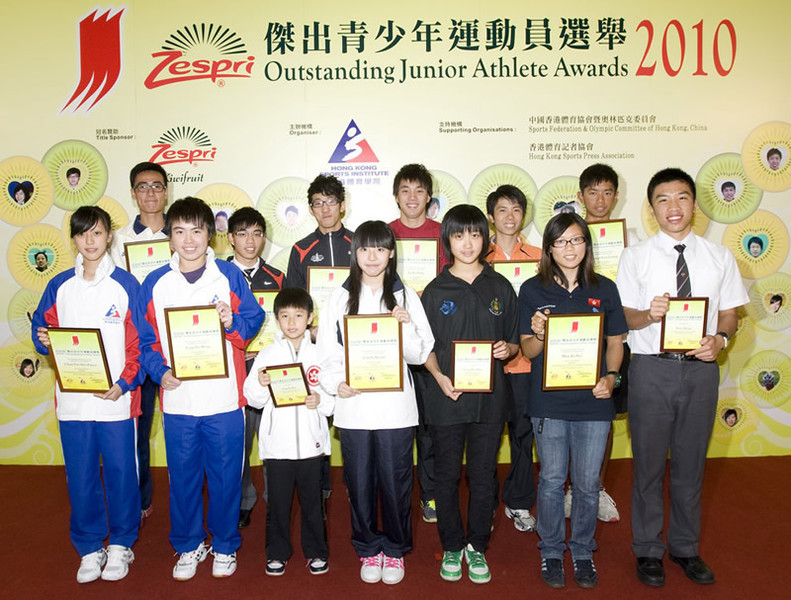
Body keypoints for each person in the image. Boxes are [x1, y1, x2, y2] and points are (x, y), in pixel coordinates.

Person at [616, 168, 748, 587]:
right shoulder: (635, 256)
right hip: (651, 369)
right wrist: (648, 314)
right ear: (652, 209)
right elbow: (623, 316)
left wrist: (721, 340)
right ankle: (648, 550)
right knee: (649, 468)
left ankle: (686, 548)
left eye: (682, 198)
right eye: (663, 200)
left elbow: (730, 312)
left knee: (691, 467)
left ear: (694, 203)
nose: (673, 207)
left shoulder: (718, 256)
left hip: (701, 372)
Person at [137, 197, 265, 580]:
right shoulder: (155, 283)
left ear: (210, 235)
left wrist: (231, 322)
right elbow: (145, 341)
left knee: (227, 477)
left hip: (225, 399)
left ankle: (225, 544)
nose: (189, 240)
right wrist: (160, 372)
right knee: (183, 478)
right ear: (169, 237)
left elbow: (253, 320)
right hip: (178, 400)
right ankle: (189, 544)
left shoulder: (229, 276)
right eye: (179, 231)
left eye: (197, 230)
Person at [316, 220, 434, 585]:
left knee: (397, 480)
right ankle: (368, 547)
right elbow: (326, 353)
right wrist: (337, 384)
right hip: (354, 407)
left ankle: (395, 550)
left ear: (391, 253)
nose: (372, 256)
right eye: (365, 249)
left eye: (380, 249)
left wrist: (406, 324)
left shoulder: (405, 296)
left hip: (395, 408)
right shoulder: (339, 296)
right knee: (360, 481)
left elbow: (419, 353)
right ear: (356, 253)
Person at [32, 205, 143, 583]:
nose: (90, 241)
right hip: (73, 402)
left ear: (109, 236)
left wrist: (125, 383)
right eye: (82, 235)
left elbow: (140, 344)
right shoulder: (60, 285)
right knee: (80, 477)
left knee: (121, 474)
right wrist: (44, 339)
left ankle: (121, 543)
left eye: (97, 233)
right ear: (75, 239)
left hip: (116, 401)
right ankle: (90, 546)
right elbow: (42, 328)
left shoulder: (127, 285)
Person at [519, 212, 627, 589]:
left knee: (585, 483)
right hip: (548, 403)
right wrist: (540, 333)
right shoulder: (532, 289)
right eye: (561, 241)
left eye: (577, 240)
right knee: (550, 480)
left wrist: (611, 378)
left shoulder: (606, 288)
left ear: (587, 244)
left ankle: (582, 550)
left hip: (594, 401)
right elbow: (529, 351)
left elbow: (616, 342)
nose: (569, 248)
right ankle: (550, 550)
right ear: (549, 247)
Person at [421, 205, 519, 584]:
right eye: (459, 235)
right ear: (447, 240)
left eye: (475, 234)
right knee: (445, 476)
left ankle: (477, 546)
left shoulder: (500, 287)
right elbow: (423, 348)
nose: (467, 242)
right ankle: (451, 545)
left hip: (490, 401)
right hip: (447, 397)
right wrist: (439, 376)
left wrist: (506, 350)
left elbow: (514, 343)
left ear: (485, 238)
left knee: (482, 475)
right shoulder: (434, 290)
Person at [243, 287, 334, 576]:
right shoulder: (267, 355)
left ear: (310, 318)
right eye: (285, 316)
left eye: (298, 315)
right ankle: (277, 553)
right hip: (277, 447)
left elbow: (334, 398)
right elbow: (253, 399)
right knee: (277, 505)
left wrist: (320, 401)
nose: (292, 322)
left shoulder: (321, 354)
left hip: (312, 445)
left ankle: (317, 551)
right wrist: (259, 381)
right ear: (277, 320)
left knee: (312, 505)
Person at [388, 163, 448, 524]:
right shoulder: (383, 234)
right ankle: (392, 494)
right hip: (386, 346)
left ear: (429, 197)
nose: (412, 197)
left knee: (429, 428)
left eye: (419, 191)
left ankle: (430, 495)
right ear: (396, 196)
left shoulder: (444, 235)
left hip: (430, 342)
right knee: (395, 428)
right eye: (405, 190)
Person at [109, 161, 169, 523]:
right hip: (135, 348)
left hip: (177, 347)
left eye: (157, 186)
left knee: (189, 428)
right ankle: (140, 498)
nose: (150, 193)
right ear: (133, 193)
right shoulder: (116, 240)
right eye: (143, 186)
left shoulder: (181, 234)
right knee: (136, 431)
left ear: (166, 191)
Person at [571, 163, 629, 524]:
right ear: (580, 197)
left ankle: (597, 487)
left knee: (603, 417)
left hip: (612, 338)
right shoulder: (566, 236)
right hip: (571, 341)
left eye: (607, 192)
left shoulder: (629, 244)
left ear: (616, 197)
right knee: (562, 417)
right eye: (592, 192)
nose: (600, 199)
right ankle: (567, 487)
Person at [483, 184, 541, 533]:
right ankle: (486, 502)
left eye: (516, 209)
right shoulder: (477, 257)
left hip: (526, 364)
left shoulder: (538, 257)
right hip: (487, 363)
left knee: (523, 434)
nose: (509, 216)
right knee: (487, 437)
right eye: (502, 210)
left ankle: (518, 502)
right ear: (491, 217)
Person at [226, 207, 284, 529]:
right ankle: (244, 498)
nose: (251, 241)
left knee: (274, 437)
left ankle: (276, 497)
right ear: (231, 237)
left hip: (270, 369)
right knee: (240, 441)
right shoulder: (219, 276)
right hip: (234, 369)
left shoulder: (277, 276)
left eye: (257, 233)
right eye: (243, 233)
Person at [284, 174, 353, 290]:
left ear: (342, 206)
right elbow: (293, 298)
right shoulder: (300, 249)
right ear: (311, 210)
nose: (325, 209)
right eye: (318, 203)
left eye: (331, 201)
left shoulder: (360, 244)